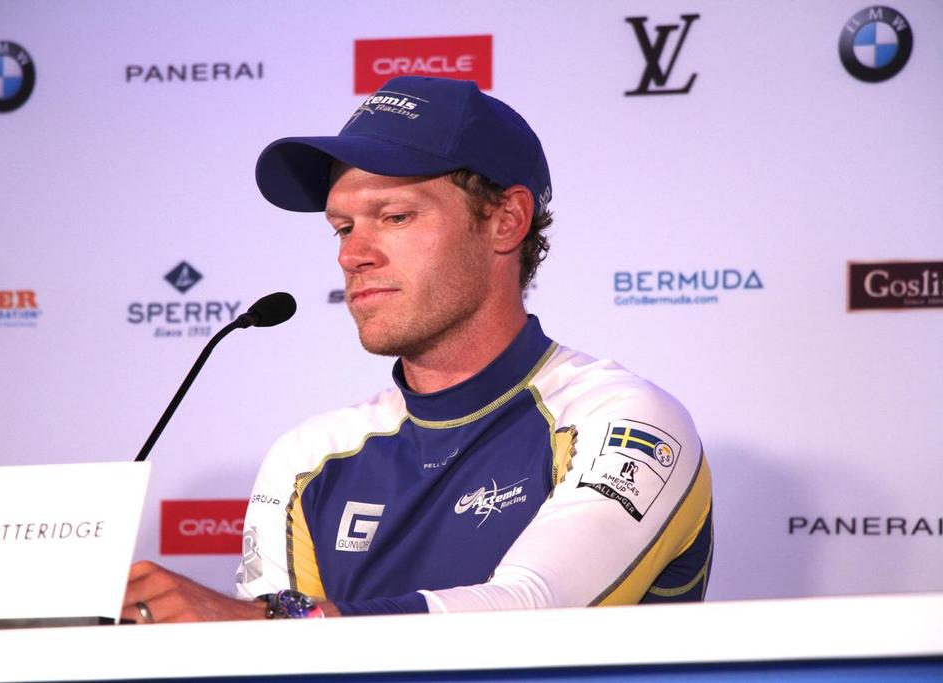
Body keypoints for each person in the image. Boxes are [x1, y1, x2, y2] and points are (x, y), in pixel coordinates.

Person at [123, 76, 713, 623]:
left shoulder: (621, 418)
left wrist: (272, 623)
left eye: (395, 216)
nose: (352, 255)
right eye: (343, 227)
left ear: (506, 221)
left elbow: (536, 607)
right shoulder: (310, 458)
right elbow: (274, 665)